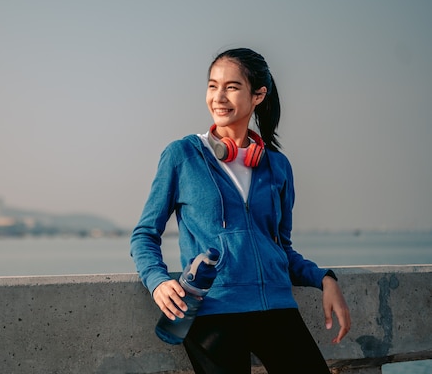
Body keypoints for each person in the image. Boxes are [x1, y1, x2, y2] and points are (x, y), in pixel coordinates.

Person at [130, 47, 351, 373]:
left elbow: (281, 248)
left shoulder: (278, 166)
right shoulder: (183, 156)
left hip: (276, 308)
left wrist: (324, 279)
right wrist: (158, 281)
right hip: (213, 312)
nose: (218, 96)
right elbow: (144, 235)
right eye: (212, 85)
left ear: (258, 95)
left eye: (231, 87)